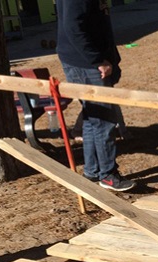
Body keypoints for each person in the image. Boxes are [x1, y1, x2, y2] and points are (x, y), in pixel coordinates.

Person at [56, 0, 135, 192]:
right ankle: (107, 175)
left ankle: (92, 172)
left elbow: (99, 22)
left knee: (92, 118)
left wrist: (112, 58)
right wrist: (97, 59)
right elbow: (73, 27)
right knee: (103, 121)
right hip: (85, 63)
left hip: (86, 59)